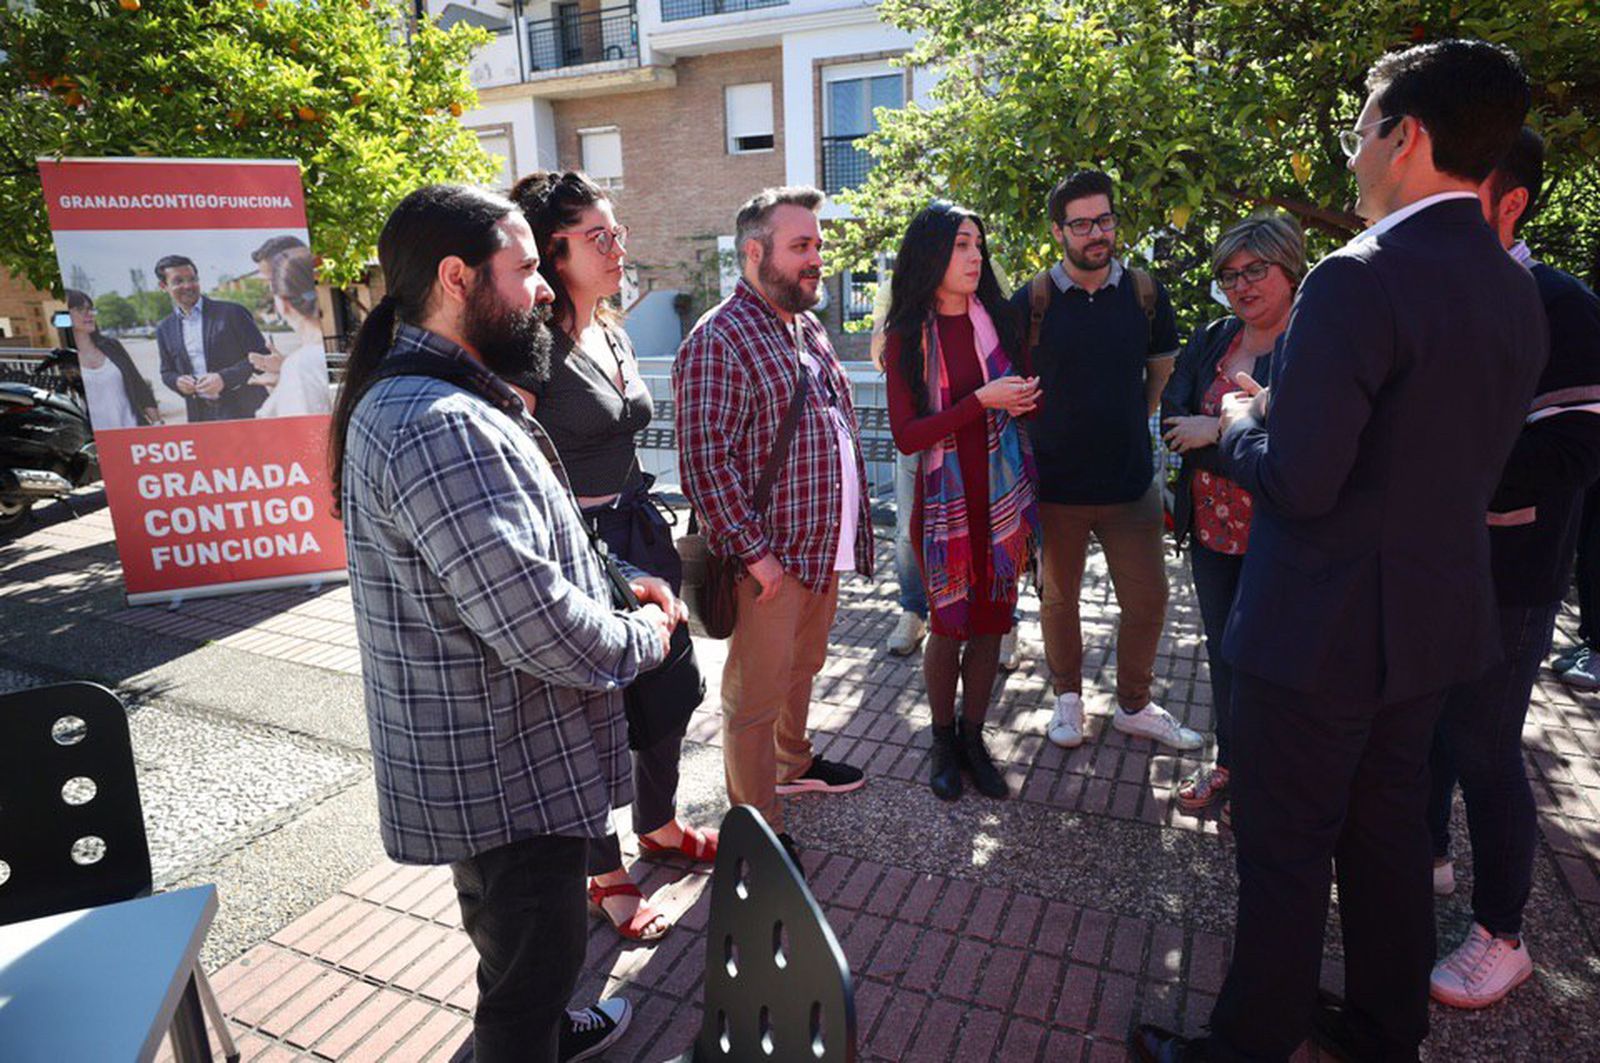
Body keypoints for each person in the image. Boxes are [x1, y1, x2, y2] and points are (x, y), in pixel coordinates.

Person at [1133, 39, 1541, 1063]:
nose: (1352, 157)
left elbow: (1302, 481)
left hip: (1318, 629)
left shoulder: (1357, 279)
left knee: (1283, 848)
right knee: (1387, 837)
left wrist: (1239, 425)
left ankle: (1248, 1046)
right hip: (1429, 625)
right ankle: (1381, 1027)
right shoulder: (1510, 284)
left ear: (1407, 138)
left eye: (1361, 133)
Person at [333, 184, 674, 1062]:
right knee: (531, 971)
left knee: (524, 957)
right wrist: (648, 636)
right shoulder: (437, 420)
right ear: (457, 278)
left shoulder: (445, 396)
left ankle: (553, 1030)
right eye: (526, 268)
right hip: (504, 773)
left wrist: (621, 581)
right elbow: (541, 626)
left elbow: (528, 555)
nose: (544, 288)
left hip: (498, 756)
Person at [511, 169, 717, 944]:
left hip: (638, 532)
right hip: (578, 550)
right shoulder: (530, 349)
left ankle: (658, 825)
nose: (618, 247)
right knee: (591, 713)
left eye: (617, 231)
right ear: (552, 252)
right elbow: (521, 466)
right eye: (598, 237)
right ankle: (603, 870)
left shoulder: (614, 330)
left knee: (672, 689)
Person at [1425, 127, 1600, 1008]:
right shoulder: (1435, 290)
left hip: (1512, 572)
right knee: (1427, 721)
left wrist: (1442, 469)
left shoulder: (1558, 303)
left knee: (1484, 743)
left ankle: (1503, 934)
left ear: (1511, 203)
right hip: (1430, 562)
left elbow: (1574, 449)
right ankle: (1429, 856)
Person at [674, 185, 874, 864]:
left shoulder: (804, 325)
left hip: (818, 550)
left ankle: (793, 762)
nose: (816, 258)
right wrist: (758, 558)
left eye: (817, 244)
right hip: (768, 562)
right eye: (800, 246)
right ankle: (756, 822)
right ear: (754, 253)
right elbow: (705, 464)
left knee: (803, 667)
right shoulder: (719, 338)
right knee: (754, 698)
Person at [1011, 168, 1194, 752]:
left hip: (1129, 483)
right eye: (1082, 224)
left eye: (1105, 220)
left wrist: (1125, 420)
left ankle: (1134, 704)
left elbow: (1159, 373)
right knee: (1058, 600)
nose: (1097, 233)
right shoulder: (1032, 300)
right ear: (1058, 231)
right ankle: (1067, 699)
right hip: (1055, 487)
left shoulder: (1144, 292)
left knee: (1148, 600)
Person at [884, 201, 1040, 800]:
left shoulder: (998, 321)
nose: (976, 257)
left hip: (1001, 501)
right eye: (961, 245)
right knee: (948, 627)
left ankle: (975, 738)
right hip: (942, 508)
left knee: (992, 625)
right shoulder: (906, 337)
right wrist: (982, 401)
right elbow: (908, 435)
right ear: (931, 255)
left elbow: (1020, 402)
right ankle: (943, 740)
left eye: (979, 245)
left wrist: (1023, 398)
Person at [1159, 216, 1304, 818]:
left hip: (1284, 536)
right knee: (1224, 652)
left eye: (1255, 270)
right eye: (1229, 275)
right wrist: (1243, 433)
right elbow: (1173, 424)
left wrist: (1215, 430)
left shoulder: (1313, 343)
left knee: (1279, 662)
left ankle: (1275, 780)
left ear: (1289, 269)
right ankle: (1231, 765)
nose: (1241, 285)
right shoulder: (1213, 339)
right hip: (1213, 531)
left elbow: (1300, 451)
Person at [873, 276, 931, 658]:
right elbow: (878, 355)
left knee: (989, 526)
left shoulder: (983, 267)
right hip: (917, 429)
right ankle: (913, 611)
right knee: (909, 530)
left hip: (976, 426)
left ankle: (1003, 620)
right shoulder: (898, 286)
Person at [154, 254, 269, 422]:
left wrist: (224, 378)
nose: (188, 285)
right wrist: (177, 381)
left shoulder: (233, 313)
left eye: (192, 279)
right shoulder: (164, 329)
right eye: (178, 281)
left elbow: (263, 357)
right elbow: (167, 372)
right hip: (200, 415)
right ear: (163, 286)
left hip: (246, 411)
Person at [63, 289, 162, 430]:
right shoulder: (64, 359)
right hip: (98, 438)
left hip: (134, 431)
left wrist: (157, 423)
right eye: (80, 309)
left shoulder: (111, 346)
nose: (89, 314)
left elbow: (139, 386)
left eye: (90, 309)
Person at [253, 247, 333, 418]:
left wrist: (290, 376)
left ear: (283, 303)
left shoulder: (301, 365)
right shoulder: (336, 351)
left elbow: (305, 430)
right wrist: (284, 381)